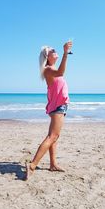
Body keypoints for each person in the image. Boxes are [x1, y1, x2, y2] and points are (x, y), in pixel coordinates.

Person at [25, 41, 73, 180]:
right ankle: (33, 165)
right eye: (52, 50)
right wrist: (65, 53)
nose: (55, 51)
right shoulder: (48, 69)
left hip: (58, 105)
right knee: (53, 136)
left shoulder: (50, 69)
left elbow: (59, 73)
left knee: (54, 137)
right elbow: (61, 72)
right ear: (47, 56)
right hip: (58, 106)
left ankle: (53, 164)